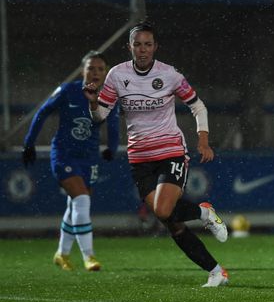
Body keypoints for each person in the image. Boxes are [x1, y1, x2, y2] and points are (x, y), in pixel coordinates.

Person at [84, 22, 230, 287]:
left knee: (164, 209)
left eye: (148, 44)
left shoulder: (170, 74)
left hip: (170, 151)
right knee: (171, 222)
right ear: (129, 47)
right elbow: (100, 117)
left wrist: (204, 140)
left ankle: (203, 212)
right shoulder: (117, 75)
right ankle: (216, 270)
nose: (142, 50)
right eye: (137, 44)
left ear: (155, 47)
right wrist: (93, 102)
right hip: (139, 158)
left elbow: (197, 106)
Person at [22, 51, 119, 272]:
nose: (95, 72)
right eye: (91, 68)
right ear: (82, 70)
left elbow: (113, 125)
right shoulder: (68, 90)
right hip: (64, 154)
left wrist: (111, 149)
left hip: (89, 158)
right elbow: (42, 112)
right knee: (82, 200)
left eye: (100, 69)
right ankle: (89, 256)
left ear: (105, 73)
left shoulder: (108, 96)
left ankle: (62, 254)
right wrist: (29, 143)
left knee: (75, 204)